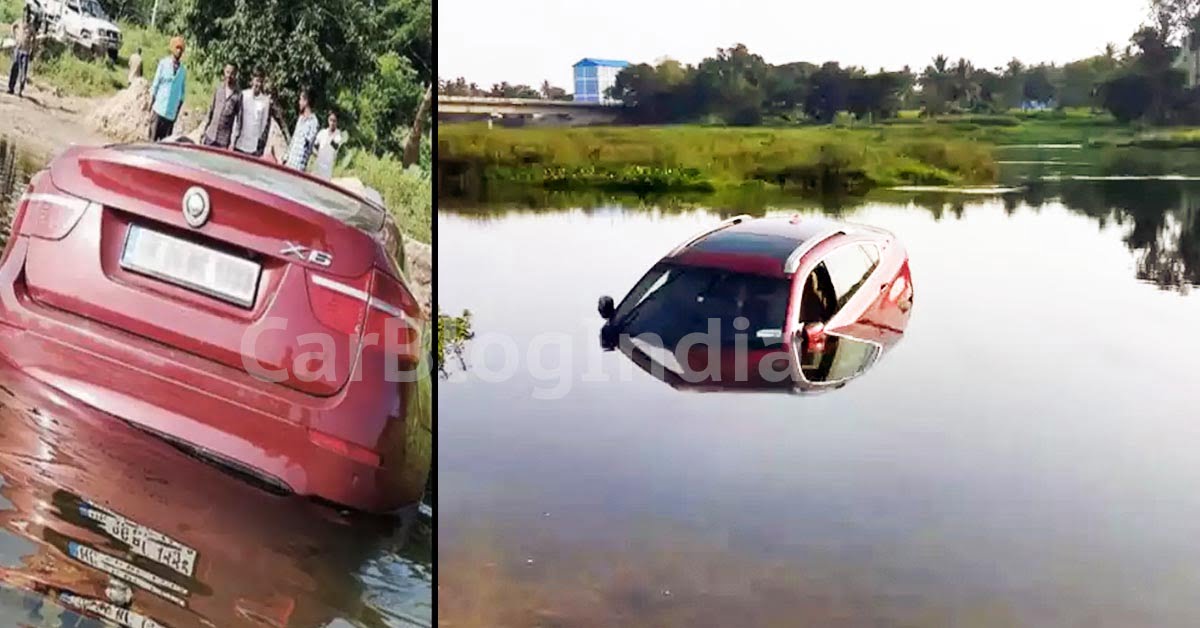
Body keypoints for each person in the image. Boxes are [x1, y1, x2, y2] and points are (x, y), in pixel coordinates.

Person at [148, 37, 188, 142]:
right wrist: (150, 106)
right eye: (177, 48)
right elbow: (155, 85)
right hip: (159, 110)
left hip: (170, 115)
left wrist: (176, 113)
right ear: (172, 49)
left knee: (165, 146)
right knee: (152, 142)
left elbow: (182, 95)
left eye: (181, 49)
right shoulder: (163, 64)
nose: (179, 51)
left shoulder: (182, 71)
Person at [231, 69, 271, 157]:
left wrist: (256, 137)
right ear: (252, 81)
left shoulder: (265, 101)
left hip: (252, 147)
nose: (258, 84)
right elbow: (237, 118)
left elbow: (263, 125)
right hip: (239, 143)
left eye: (260, 82)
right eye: (256, 81)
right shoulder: (244, 95)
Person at [201, 63, 242, 149]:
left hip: (223, 141)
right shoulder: (219, 88)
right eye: (227, 72)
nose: (229, 76)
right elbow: (211, 111)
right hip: (210, 136)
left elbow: (238, 121)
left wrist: (233, 141)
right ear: (224, 72)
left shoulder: (238, 95)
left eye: (232, 73)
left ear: (235, 75)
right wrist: (204, 131)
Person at [284, 89, 319, 171]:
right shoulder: (300, 119)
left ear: (306, 101)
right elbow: (294, 139)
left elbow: (308, 144)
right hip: (290, 162)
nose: (299, 102)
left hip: (299, 166)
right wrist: (286, 157)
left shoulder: (314, 122)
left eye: (300, 99)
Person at [7, 9, 34, 97]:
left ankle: (20, 91)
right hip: (17, 49)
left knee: (23, 72)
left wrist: (32, 50)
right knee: (14, 68)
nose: (26, 17)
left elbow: (34, 38)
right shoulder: (19, 22)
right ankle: (11, 88)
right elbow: (12, 26)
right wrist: (14, 36)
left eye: (28, 16)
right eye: (25, 15)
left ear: (29, 17)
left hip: (25, 52)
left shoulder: (31, 27)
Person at [312, 112, 345, 179]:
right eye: (331, 120)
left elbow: (336, 146)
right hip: (318, 165)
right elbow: (314, 146)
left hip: (327, 168)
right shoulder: (322, 133)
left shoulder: (338, 135)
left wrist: (330, 137)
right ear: (328, 120)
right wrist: (317, 154)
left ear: (337, 122)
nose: (332, 123)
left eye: (334, 121)